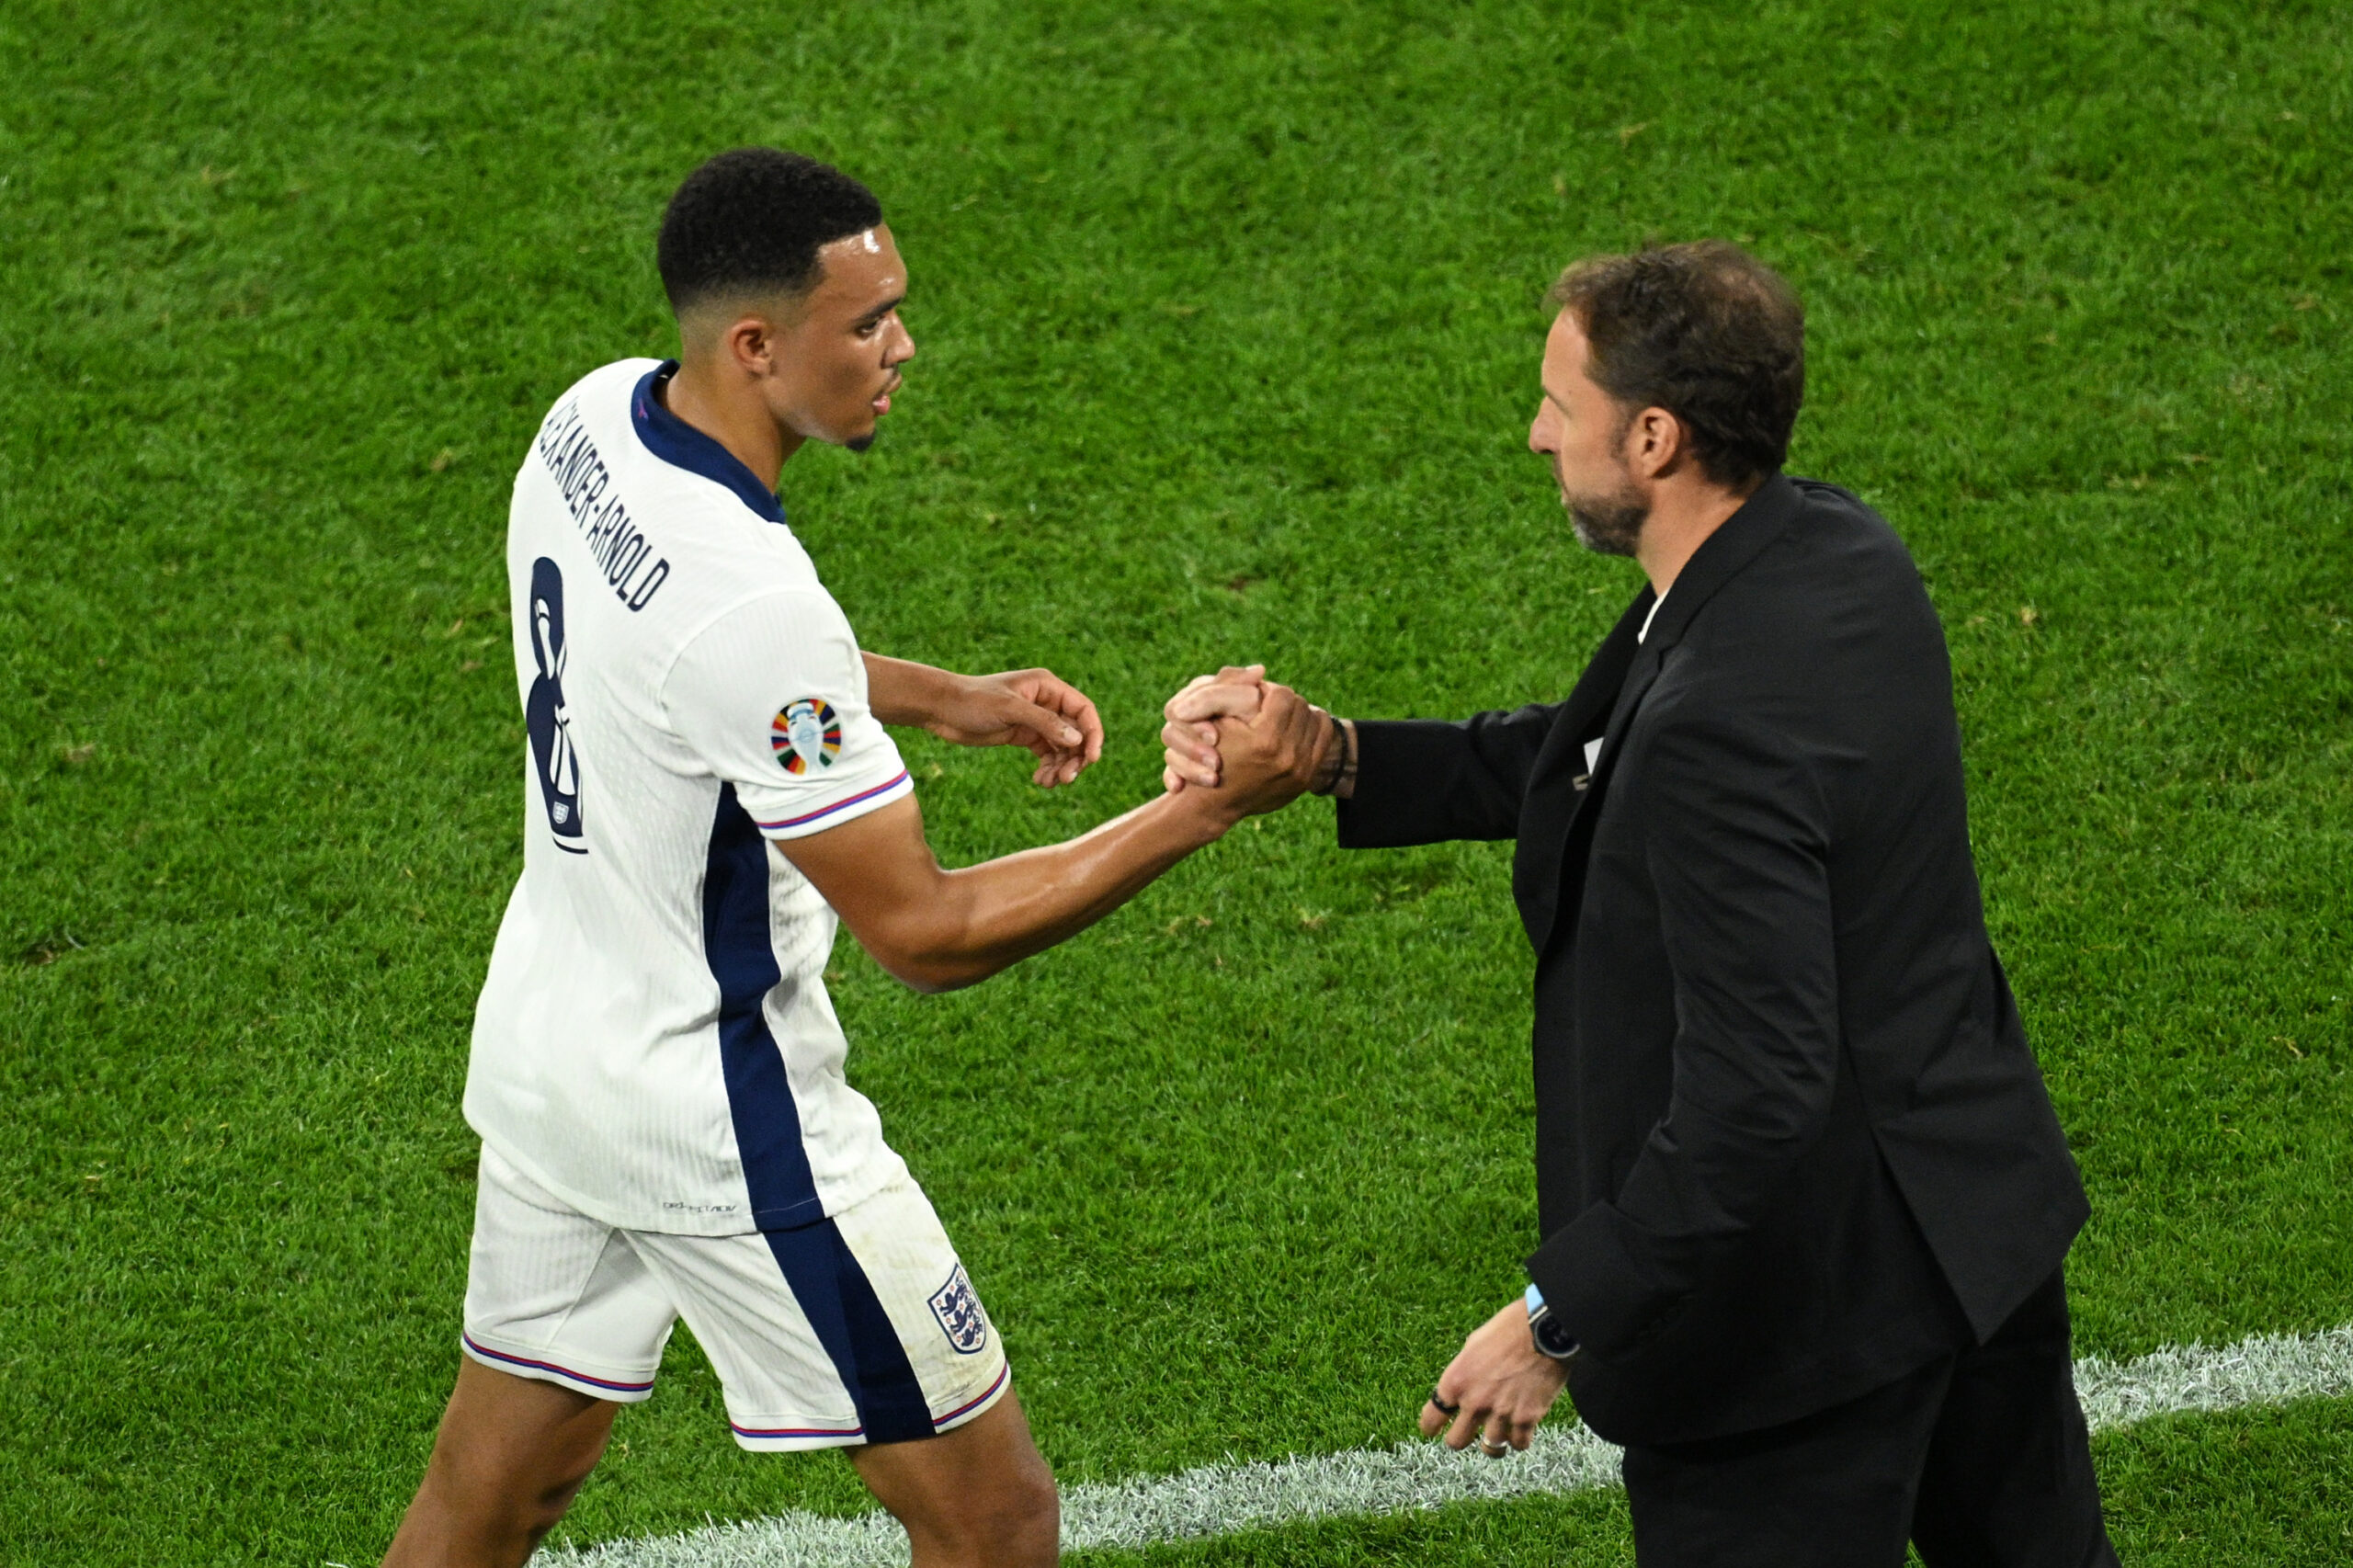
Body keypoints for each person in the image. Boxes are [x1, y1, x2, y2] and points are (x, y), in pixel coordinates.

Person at [385, 148, 1324, 1568]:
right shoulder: (752, 609)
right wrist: (1203, 810)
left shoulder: (590, 422)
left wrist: (946, 695)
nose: (903, 348)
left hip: (551, 1061)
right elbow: (926, 932)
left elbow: (679, 665)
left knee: (488, 1502)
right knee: (996, 1519)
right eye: (868, 323)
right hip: (725, 1122)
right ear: (757, 346)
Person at [1162, 242, 2118, 1565]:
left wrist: (1558, 1315)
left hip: (1796, 1350)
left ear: (1654, 436)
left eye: (1563, 404)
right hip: (1971, 1241)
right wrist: (1338, 753)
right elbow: (1604, 751)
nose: (1537, 433)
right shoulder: (1836, 551)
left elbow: (1758, 1085)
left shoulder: (1718, 721)